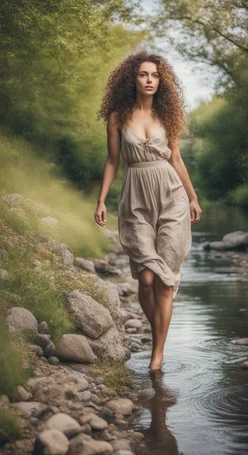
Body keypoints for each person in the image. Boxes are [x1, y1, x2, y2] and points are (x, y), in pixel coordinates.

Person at [94, 51, 202, 371]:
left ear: (161, 81)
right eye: (144, 74)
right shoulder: (117, 117)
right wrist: (101, 200)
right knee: (145, 279)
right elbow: (113, 161)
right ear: (133, 79)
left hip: (171, 196)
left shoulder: (168, 117)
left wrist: (193, 198)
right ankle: (158, 332)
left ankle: (157, 354)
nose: (150, 80)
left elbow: (176, 161)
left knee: (165, 282)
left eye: (155, 75)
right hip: (137, 196)